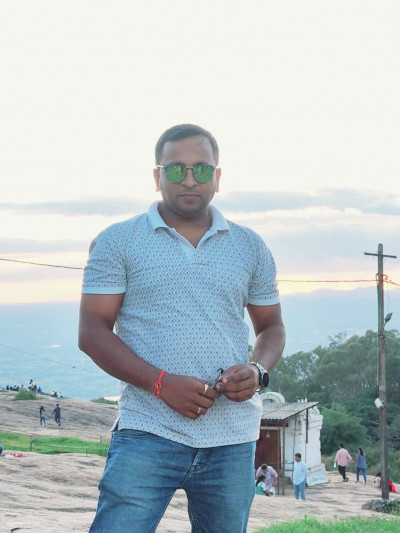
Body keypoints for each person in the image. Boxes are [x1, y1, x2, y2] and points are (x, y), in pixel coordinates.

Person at [78, 123, 286, 533]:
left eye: (201, 169)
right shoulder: (118, 241)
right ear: (157, 177)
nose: (189, 179)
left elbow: (272, 326)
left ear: (217, 177)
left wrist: (258, 370)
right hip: (147, 430)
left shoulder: (250, 245)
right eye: (176, 169)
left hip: (232, 437)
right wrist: (161, 384)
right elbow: (92, 333)